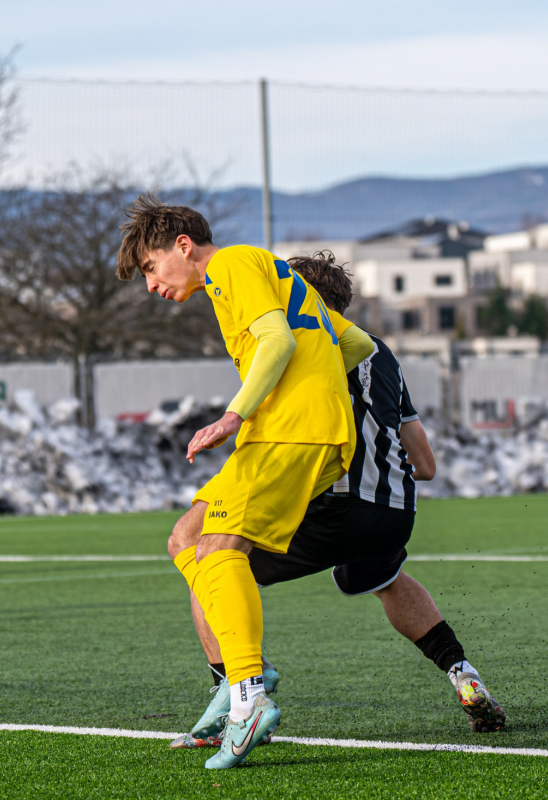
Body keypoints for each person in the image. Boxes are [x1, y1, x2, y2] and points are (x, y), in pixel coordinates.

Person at [168, 252, 505, 751]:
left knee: (210, 556)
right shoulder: (382, 355)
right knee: (386, 579)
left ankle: (234, 695)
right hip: (393, 510)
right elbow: (426, 463)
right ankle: (463, 673)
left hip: (332, 504)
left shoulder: (309, 351)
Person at [117, 196, 375, 769]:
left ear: (183, 245)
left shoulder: (231, 264)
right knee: (186, 538)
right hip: (290, 431)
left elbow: (277, 341)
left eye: (151, 268)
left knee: (219, 548)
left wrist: (235, 414)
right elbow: (358, 344)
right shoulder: (266, 272)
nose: (151, 285)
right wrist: (318, 384)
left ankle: (248, 694)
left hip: (292, 432)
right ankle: (240, 677)